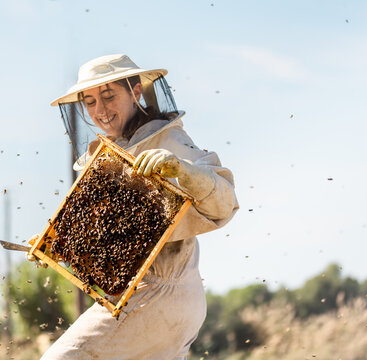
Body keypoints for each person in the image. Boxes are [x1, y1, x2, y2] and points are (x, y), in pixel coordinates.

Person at [42, 54, 239, 360]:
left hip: (157, 293)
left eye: (109, 96)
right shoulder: (109, 154)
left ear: (135, 92)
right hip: (153, 298)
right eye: (90, 101)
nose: (101, 110)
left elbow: (224, 201)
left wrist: (183, 171)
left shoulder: (167, 139)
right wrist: (62, 247)